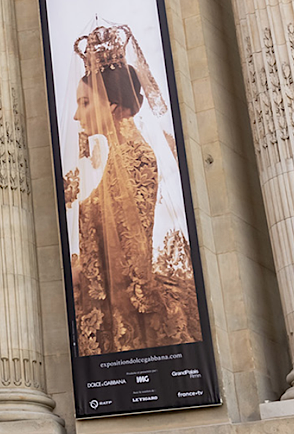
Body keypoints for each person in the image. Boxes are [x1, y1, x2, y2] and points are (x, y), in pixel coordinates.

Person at [65, 25, 199, 355]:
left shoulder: (135, 156)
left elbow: (131, 247)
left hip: (122, 305)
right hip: (96, 300)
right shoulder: (96, 158)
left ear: (111, 105)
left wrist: (80, 270)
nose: (76, 114)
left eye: (85, 102)